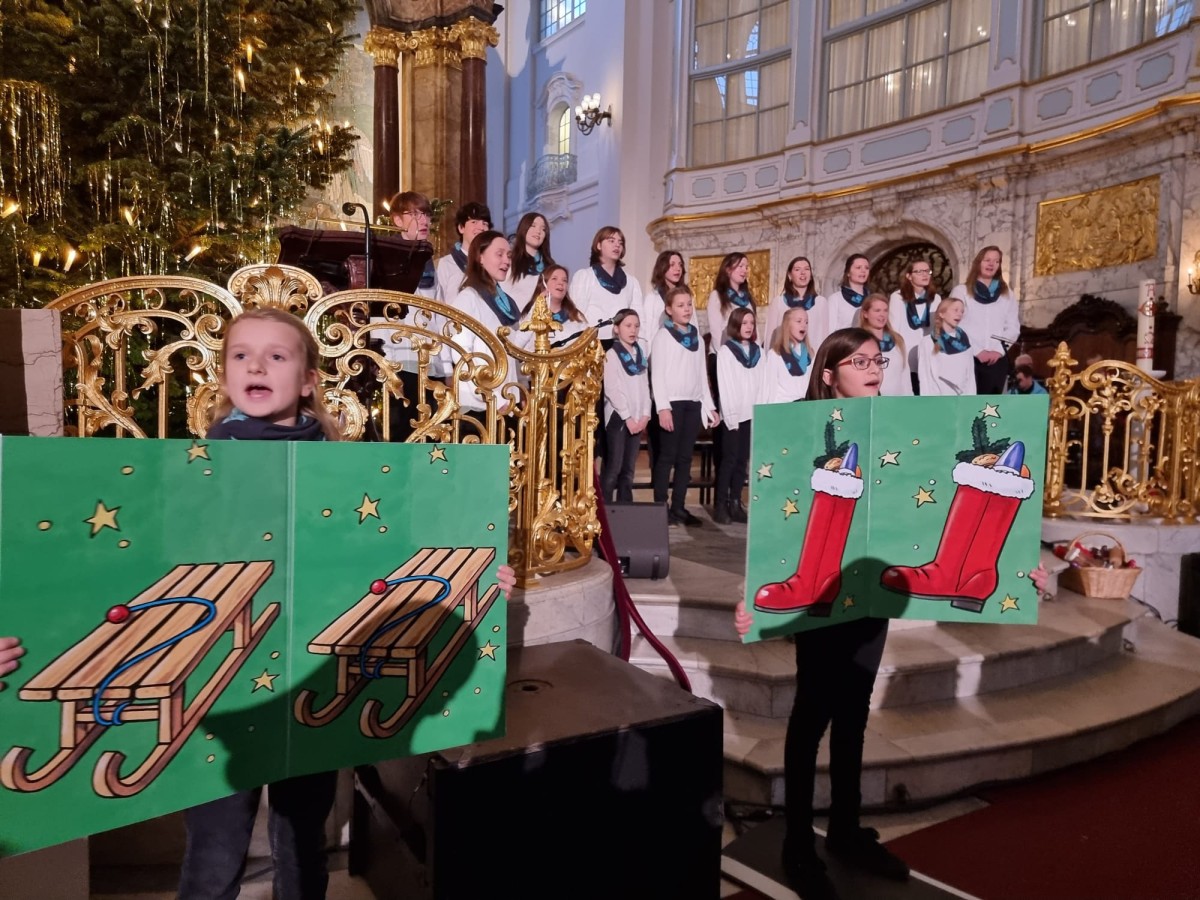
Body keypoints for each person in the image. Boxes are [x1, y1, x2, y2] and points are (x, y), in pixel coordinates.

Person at [180, 307, 516, 899]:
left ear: (308, 378)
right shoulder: (193, 470)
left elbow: (390, 565)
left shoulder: (345, 471)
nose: (256, 364)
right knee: (213, 849)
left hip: (312, 681)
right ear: (225, 371)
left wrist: (483, 577)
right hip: (222, 683)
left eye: (276, 356)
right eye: (241, 354)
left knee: (303, 839)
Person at [736, 327, 908, 900]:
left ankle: (844, 831)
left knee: (855, 714)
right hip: (819, 591)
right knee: (812, 714)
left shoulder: (895, 428)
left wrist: (1016, 569)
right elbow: (764, 509)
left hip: (871, 586)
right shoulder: (798, 425)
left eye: (878, 358)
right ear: (829, 373)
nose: (873, 367)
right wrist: (752, 587)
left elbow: (919, 505)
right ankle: (796, 842)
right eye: (858, 360)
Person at [650, 286, 719, 526]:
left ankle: (679, 507)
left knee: (685, 458)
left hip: (692, 403)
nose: (686, 309)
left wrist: (708, 406)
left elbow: (701, 376)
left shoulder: (697, 339)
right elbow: (657, 374)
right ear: (669, 309)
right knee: (667, 457)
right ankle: (661, 507)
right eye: (680, 305)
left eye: (689, 304)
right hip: (672, 404)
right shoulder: (663, 336)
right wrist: (663, 407)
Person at [376, 190, 441, 441]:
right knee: (402, 437)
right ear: (397, 221)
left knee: (430, 439)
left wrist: (443, 365)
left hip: (429, 366)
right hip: (399, 363)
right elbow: (380, 313)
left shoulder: (428, 262)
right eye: (414, 214)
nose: (423, 220)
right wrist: (383, 362)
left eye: (426, 214)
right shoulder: (387, 261)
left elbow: (438, 315)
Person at [448, 231, 533, 416]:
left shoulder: (505, 302)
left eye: (508, 255)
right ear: (480, 256)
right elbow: (461, 355)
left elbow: (511, 348)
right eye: (499, 254)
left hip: (506, 402)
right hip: (480, 406)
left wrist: (534, 320)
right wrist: (492, 398)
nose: (506, 261)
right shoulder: (468, 298)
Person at [714, 307, 766, 524]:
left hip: (751, 415)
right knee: (729, 460)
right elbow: (725, 386)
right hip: (733, 415)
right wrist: (731, 415)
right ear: (736, 325)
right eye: (744, 323)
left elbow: (764, 383)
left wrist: (761, 412)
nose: (748, 327)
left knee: (742, 461)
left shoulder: (758, 352)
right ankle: (720, 505)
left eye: (751, 323)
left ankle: (735, 502)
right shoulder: (726, 352)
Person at [948, 246, 1020, 395]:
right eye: (987, 260)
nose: (991, 264)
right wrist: (977, 351)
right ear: (978, 263)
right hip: (967, 356)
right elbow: (954, 325)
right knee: (966, 408)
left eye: (996, 261)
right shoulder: (961, 291)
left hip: (996, 361)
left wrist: (998, 351)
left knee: (988, 410)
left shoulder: (1007, 294)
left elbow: (1013, 327)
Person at [601, 308, 651, 503]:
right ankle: (605, 512)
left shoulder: (640, 353)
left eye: (636, 326)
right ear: (616, 328)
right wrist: (627, 417)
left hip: (637, 417)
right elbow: (612, 389)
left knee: (629, 470)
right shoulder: (612, 355)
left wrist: (645, 414)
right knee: (614, 467)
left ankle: (625, 509)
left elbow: (645, 386)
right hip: (619, 418)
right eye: (628, 326)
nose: (633, 330)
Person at [569, 226, 643, 346]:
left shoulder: (631, 282)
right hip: (592, 346)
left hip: (622, 345)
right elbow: (576, 316)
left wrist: (640, 349)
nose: (617, 245)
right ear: (598, 245)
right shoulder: (585, 276)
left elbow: (639, 318)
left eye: (620, 242)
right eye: (611, 241)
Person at [888, 259, 939, 394]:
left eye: (927, 271)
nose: (925, 275)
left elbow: (936, 329)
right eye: (919, 271)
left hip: (927, 355)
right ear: (909, 276)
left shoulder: (936, 298)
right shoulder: (898, 297)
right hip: (905, 354)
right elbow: (893, 329)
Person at [435, 201, 492, 306]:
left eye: (485, 223)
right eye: (474, 222)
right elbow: (438, 302)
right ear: (461, 228)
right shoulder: (447, 263)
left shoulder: (493, 264)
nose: (481, 227)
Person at [918, 296, 975, 396]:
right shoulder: (928, 342)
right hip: (939, 400)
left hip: (961, 401)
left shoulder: (965, 341)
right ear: (942, 314)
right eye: (955, 310)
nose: (959, 314)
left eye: (962, 311)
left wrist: (970, 400)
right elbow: (925, 377)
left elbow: (970, 376)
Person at [856, 293, 910, 396]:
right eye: (877, 310)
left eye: (885, 310)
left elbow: (905, 376)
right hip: (871, 401)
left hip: (897, 402)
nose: (882, 314)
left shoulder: (897, 340)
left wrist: (910, 401)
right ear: (865, 314)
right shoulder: (858, 341)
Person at [521, 263, 586, 345]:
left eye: (564, 280)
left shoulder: (577, 317)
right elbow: (520, 346)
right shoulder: (528, 315)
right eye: (554, 279)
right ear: (544, 284)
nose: (560, 283)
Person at [765, 255, 819, 350]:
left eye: (806, 269)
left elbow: (824, 335)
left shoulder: (820, 302)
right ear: (789, 275)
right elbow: (770, 337)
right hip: (783, 358)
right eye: (797, 269)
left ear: (810, 276)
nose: (803, 273)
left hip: (812, 358)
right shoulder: (778, 302)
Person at [706, 252, 755, 356]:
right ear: (728, 270)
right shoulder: (717, 295)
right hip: (724, 352)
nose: (744, 270)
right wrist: (724, 354)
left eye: (746, 267)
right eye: (740, 266)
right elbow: (716, 330)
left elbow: (754, 328)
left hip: (746, 353)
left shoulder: (747, 298)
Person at [819, 254, 871, 349]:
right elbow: (829, 332)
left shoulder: (871, 300)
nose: (863, 271)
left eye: (866, 268)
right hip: (842, 349)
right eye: (858, 267)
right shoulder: (835, 299)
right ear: (848, 273)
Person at [764, 307, 814, 403]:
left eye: (806, 322)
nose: (804, 325)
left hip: (805, 407)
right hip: (782, 408)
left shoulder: (810, 354)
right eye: (799, 321)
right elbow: (770, 388)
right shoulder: (775, 354)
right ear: (787, 325)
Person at [505, 212, 554, 310]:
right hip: (515, 319)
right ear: (523, 228)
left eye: (543, 229)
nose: (538, 231)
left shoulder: (550, 265)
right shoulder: (510, 260)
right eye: (533, 226)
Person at [642, 249, 685, 354]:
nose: (677, 269)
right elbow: (646, 330)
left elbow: (693, 324)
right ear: (662, 268)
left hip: (682, 349)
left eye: (680, 265)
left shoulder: (685, 296)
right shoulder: (653, 297)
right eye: (672, 265)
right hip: (659, 351)